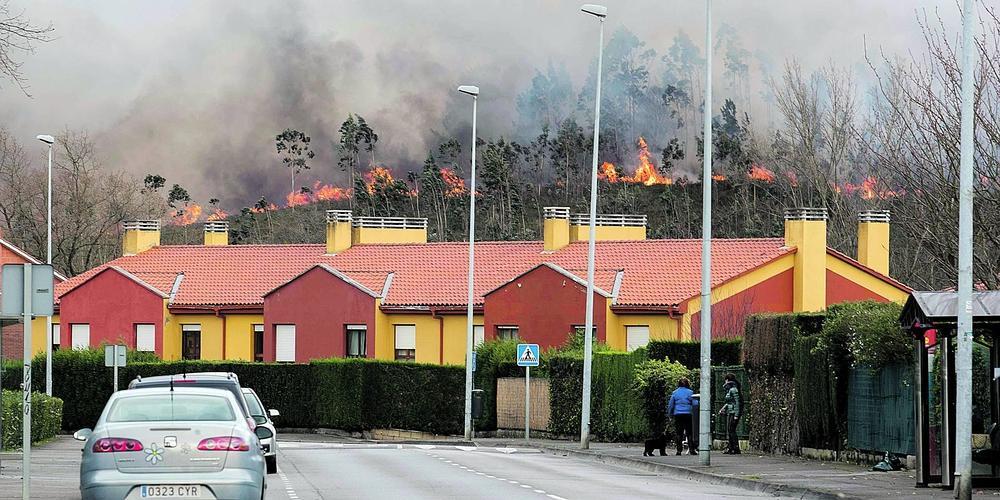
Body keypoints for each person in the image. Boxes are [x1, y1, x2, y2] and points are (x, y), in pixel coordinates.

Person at [666, 377, 697, 455]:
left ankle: (679, 450)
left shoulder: (675, 393)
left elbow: (671, 405)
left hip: (678, 414)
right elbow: (695, 403)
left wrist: (670, 414)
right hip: (688, 414)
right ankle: (692, 450)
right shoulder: (690, 392)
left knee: (679, 433)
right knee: (689, 432)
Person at [719, 373, 741, 454]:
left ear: (727, 380)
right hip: (731, 411)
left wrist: (736, 415)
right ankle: (731, 448)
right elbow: (729, 402)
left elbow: (737, 402)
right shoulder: (730, 389)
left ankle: (735, 448)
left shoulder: (733, 390)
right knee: (730, 430)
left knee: (731, 430)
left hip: (733, 412)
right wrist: (723, 409)